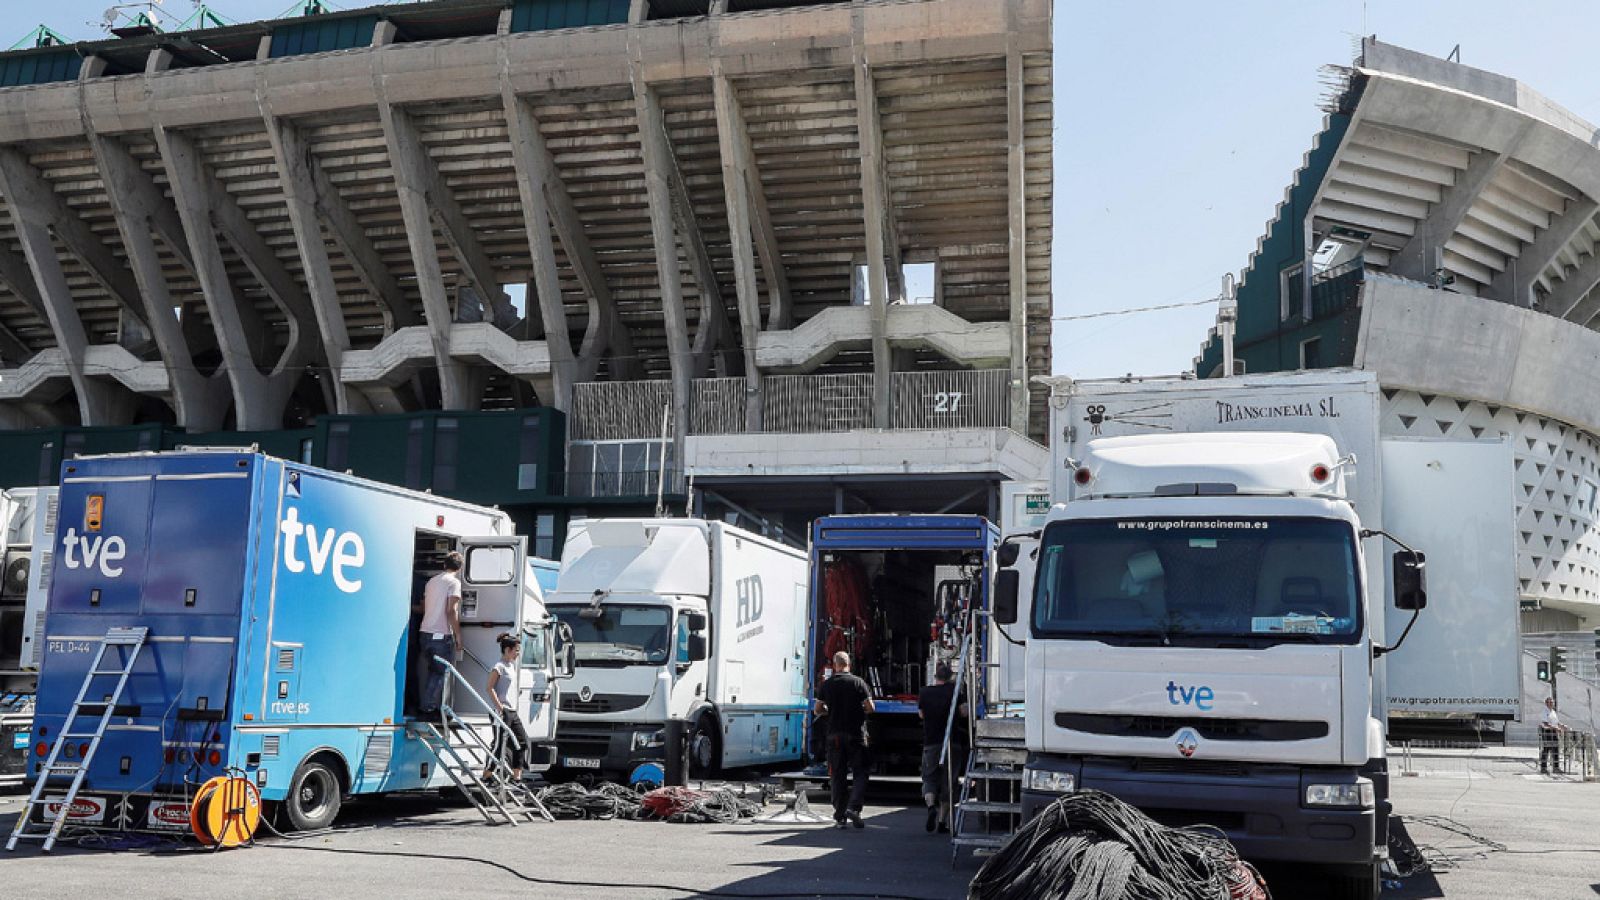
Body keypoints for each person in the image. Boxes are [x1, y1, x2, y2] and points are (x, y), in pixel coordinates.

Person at [814, 650, 874, 829]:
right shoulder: (858, 682)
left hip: (834, 735)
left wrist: (829, 711)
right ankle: (854, 808)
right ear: (849, 664)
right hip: (856, 734)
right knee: (860, 772)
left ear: (835, 665)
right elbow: (870, 707)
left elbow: (817, 709)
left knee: (837, 775)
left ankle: (840, 816)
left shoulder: (827, 685)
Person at [917, 662, 968, 833]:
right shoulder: (955, 692)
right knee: (950, 782)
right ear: (950, 677)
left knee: (929, 778)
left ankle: (931, 806)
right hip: (952, 742)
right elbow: (963, 713)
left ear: (935, 676)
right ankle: (941, 822)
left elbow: (921, 714)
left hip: (931, 742)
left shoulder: (924, 692)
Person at [417, 551, 465, 717]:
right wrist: (458, 635)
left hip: (424, 633)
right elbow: (451, 611)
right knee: (439, 673)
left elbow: (424, 607)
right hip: (441, 635)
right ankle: (428, 708)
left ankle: (428, 705)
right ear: (459, 568)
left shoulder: (431, 582)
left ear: (444, 565)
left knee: (431, 671)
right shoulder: (454, 583)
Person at [486, 633, 530, 782]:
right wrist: (499, 707)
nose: (518, 653)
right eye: (516, 650)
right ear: (507, 650)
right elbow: (489, 687)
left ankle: (517, 777)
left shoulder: (512, 666)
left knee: (521, 741)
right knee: (499, 745)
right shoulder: (499, 667)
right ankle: (487, 775)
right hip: (502, 710)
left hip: (512, 711)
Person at [1539, 696, 1568, 775]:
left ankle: (1556, 767)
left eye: (1552, 702)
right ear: (1546, 703)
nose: (1552, 704)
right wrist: (1555, 728)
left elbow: (1557, 722)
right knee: (1546, 749)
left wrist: (1562, 725)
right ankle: (1543, 768)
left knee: (1555, 749)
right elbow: (1545, 723)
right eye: (1550, 702)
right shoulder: (1545, 712)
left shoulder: (1553, 712)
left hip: (1554, 732)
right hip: (1547, 732)